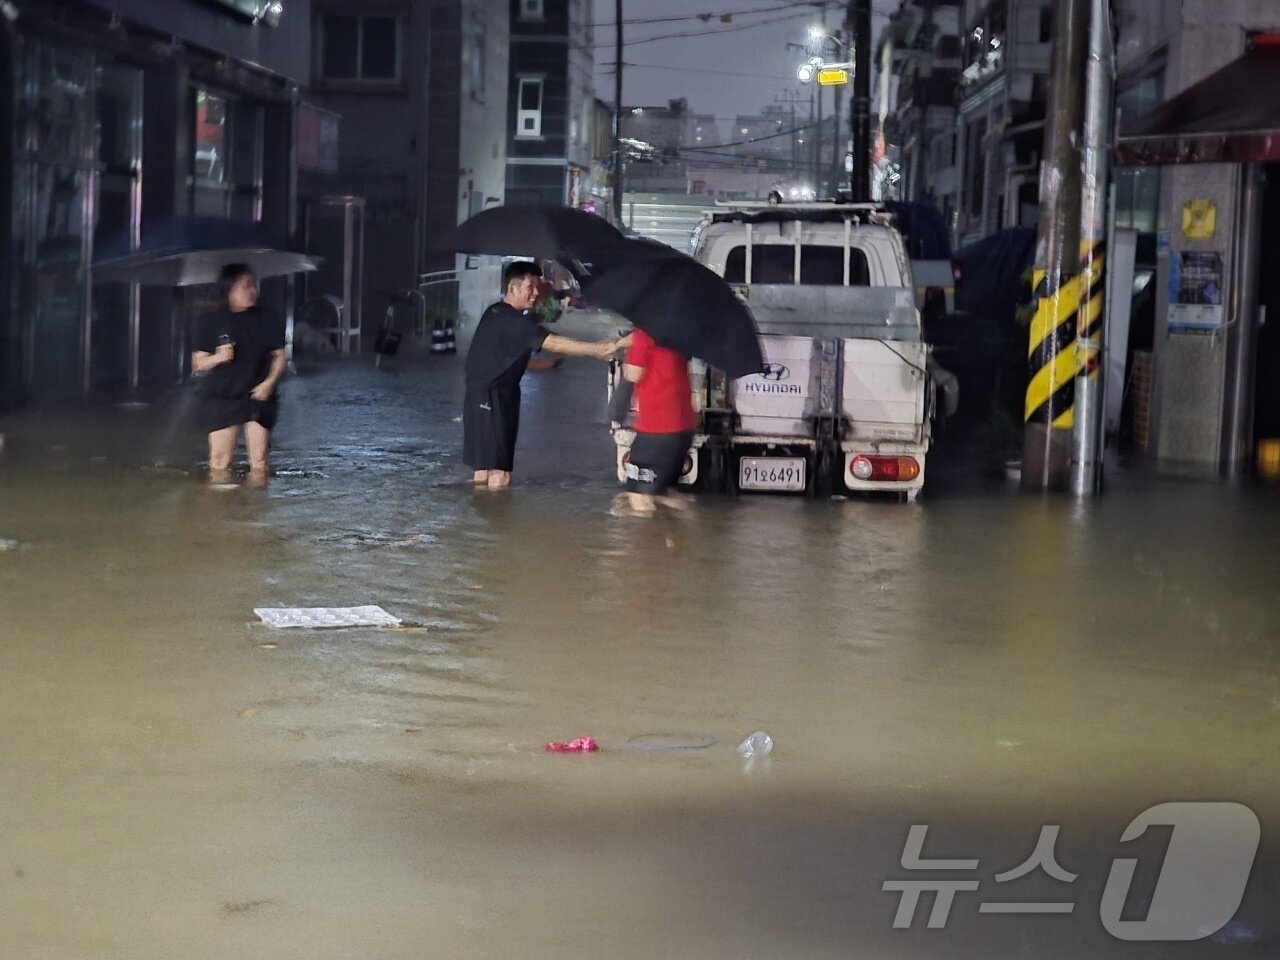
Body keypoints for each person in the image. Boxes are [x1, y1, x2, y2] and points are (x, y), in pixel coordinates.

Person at [464, 261, 619, 489]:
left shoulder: (495, 313)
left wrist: (546, 299)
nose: (535, 292)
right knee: (500, 473)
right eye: (530, 287)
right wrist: (598, 349)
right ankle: (495, 519)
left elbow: (521, 349)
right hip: (494, 399)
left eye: (538, 287)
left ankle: (478, 522)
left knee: (483, 469)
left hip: (479, 398)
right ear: (513, 288)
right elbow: (553, 342)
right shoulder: (514, 323)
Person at [190, 264, 287, 485]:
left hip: (258, 396)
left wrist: (269, 384)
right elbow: (197, 363)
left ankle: (254, 509)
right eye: (245, 286)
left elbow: (279, 356)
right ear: (229, 290)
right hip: (222, 398)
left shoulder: (267, 317)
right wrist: (218, 358)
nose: (252, 291)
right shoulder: (210, 320)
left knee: (260, 461)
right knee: (219, 461)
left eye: (252, 285)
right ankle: (219, 509)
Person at [620, 328, 696, 514]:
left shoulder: (644, 332)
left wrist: (628, 356)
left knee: (639, 494)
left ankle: (647, 541)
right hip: (682, 426)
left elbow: (633, 374)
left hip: (657, 428)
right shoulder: (677, 329)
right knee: (662, 491)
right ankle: (688, 533)